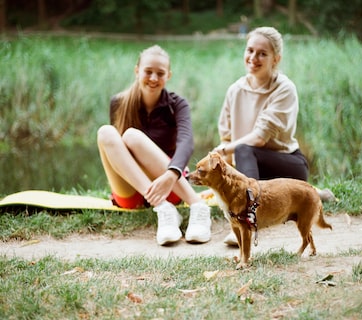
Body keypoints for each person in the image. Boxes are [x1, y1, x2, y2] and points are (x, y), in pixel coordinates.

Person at [212, 26, 335, 245]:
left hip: (286, 164)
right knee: (238, 156)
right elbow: (227, 138)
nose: (253, 58)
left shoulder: (284, 89)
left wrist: (223, 151)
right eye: (250, 50)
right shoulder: (235, 90)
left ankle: (246, 221)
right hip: (249, 171)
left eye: (262, 54)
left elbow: (259, 138)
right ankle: (315, 195)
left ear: (276, 59)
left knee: (244, 149)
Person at [97, 45, 211, 246]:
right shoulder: (118, 102)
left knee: (132, 136)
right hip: (131, 193)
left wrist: (171, 174)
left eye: (160, 73)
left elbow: (187, 141)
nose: (153, 78)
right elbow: (116, 153)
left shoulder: (177, 104)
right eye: (148, 71)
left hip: (170, 187)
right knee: (106, 132)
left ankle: (198, 207)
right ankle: (164, 209)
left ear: (169, 75)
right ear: (137, 71)